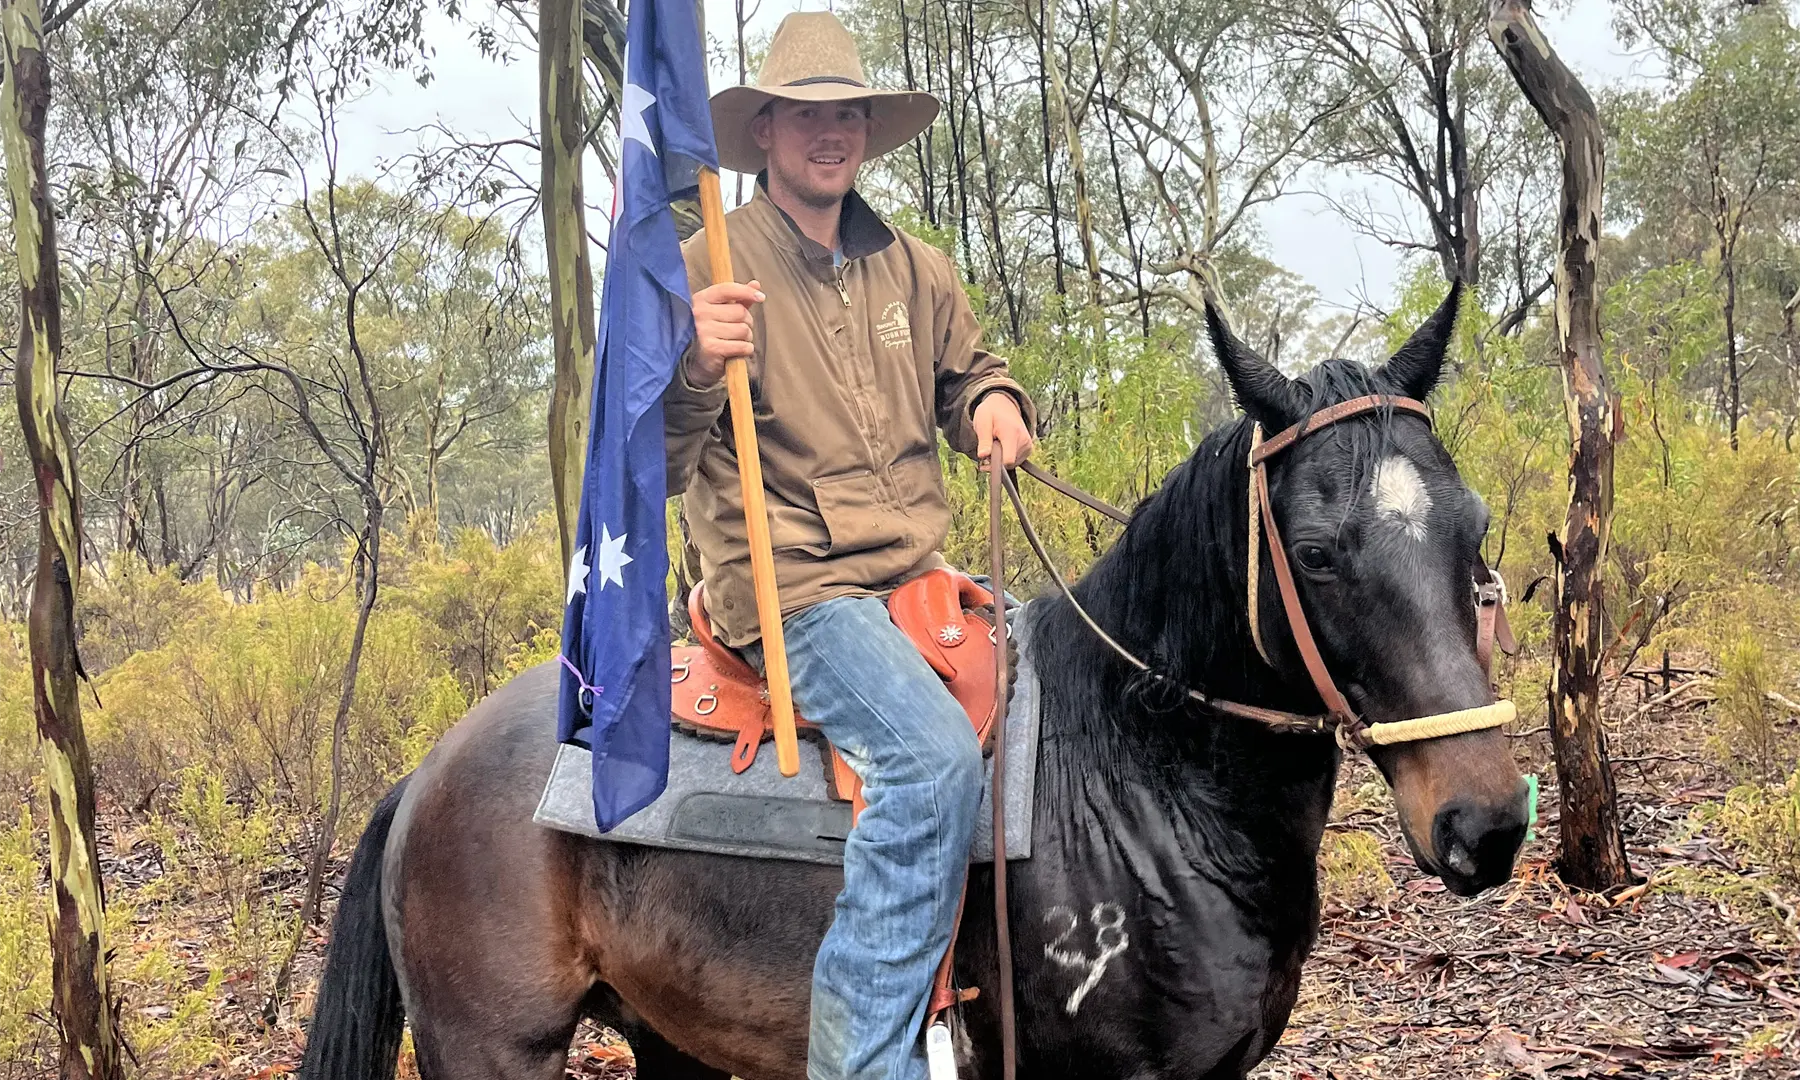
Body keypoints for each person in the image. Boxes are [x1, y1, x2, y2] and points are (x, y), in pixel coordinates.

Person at [662, 11, 1036, 1080]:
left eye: (850, 115)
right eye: (806, 115)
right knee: (928, 762)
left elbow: (971, 371)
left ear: (868, 130)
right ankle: (863, 1064)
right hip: (794, 587)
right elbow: (653, 457)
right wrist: (696, 365)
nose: (831, 133)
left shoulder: (917, 269)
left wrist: (994, 402)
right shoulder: (707, 265)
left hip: (917, 572)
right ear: (765, 131)